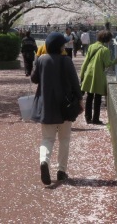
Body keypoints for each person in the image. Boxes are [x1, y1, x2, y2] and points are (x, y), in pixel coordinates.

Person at [30, 32, 82, 185]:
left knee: (47, 138)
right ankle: (61, 171)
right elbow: (74, 82)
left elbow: (34, 79)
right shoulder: (66, 60)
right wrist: (79, 99)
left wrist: (37, 64)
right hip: (65, 105)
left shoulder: (41, 60)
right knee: (64, 139)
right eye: (63, 44)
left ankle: (44, 161)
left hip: (46, 106)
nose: (64, 46)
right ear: (59, 46)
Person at [79, 30, 117, 125]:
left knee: (89, 97)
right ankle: (96, 119)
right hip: (98, 75)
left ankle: (88, 118)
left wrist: (82, 74)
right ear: (107, 39)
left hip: (88, 73)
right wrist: (116, 60)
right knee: (97, 98)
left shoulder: (91, 46)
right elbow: (107, 64)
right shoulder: (105, 50)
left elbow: (85, 61)